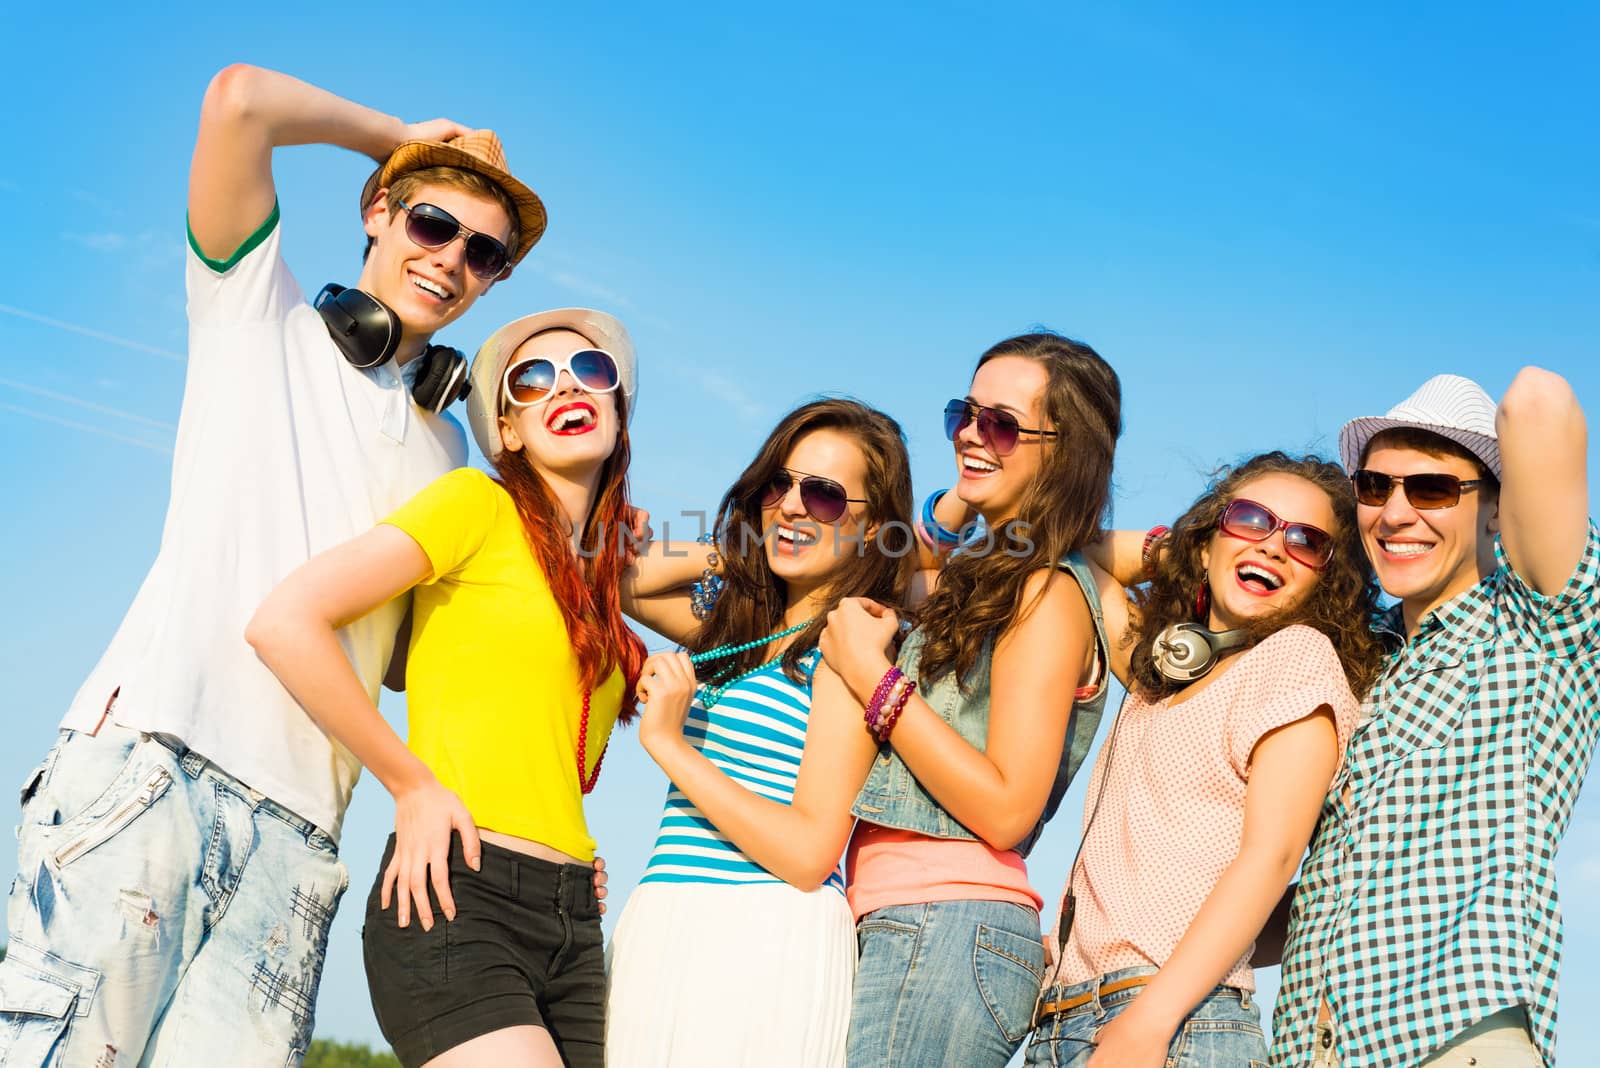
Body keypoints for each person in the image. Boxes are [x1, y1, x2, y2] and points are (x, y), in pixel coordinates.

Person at [1, 65, 540, 1065]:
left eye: (482, 251)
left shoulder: (448, 453)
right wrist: (395, 133)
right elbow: (239, 99)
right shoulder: (258, 308)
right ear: (377, 210)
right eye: (430, 222)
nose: (450, 259)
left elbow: (399, 660)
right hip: (159, 762)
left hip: (301, 832)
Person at [631, 332, 1120, 1067]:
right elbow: (630, 578)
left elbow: (1008, 809)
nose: (968, 435)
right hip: (895, 916)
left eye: (1001, 424)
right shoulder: (976, 582)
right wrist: (764, 531)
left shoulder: (1044, 593)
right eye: (966, 412)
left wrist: (875, 679)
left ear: (1065, 450)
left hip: (947, 920)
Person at [248, 309, 643, 1067]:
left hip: (574, 921)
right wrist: (410, 784)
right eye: (534, 379)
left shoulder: (605, 580)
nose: (568, 385)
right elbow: (285, 622)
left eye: (591, 371)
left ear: (619, 410)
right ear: (510, 430)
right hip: (456, 895)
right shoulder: (477, 505)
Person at [1272, 371, 1596, 1068]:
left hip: (1455, 1042)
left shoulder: (1542, 628)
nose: (1393, 512)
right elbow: (1331, 886)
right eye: (1375, 486)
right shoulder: (1361, 661)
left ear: (1496, 510)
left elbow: (1539, 401)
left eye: (1432, 489)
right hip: (1310, 1049)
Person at [1024, 452, 1388, 1066]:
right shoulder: (1158, 672)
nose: (1274, 547)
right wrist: (1186, 546)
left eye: (1306, 541)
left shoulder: (1297, 658)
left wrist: (1152, 1020)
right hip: (1070, 1016)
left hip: (1174, 1020)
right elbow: (1069, 554)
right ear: (1203, 543)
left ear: (1328, 580)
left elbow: (1270, 859)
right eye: (1250, 519)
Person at [606, 398, 915, 1066]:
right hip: (667, 923)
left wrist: (669, 746)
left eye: (825, 495)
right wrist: (749, 544)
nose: (794, 504)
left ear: (874, 528)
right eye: (779, 483)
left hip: (759, 937)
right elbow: (616, 582)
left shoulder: (845, 649)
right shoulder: (742, 640)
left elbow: (809, 854)